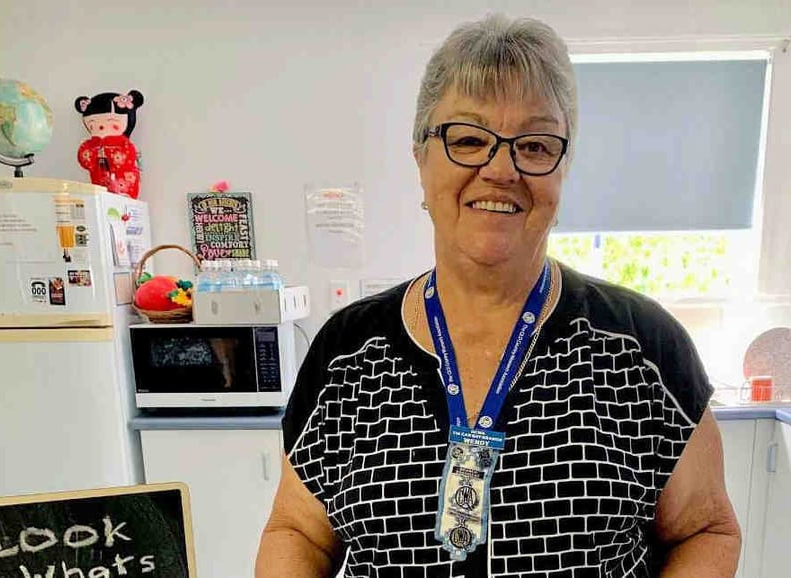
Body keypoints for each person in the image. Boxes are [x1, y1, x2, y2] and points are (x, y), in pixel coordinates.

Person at [255, 14, 741, 578]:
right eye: (468, 139)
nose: (500, 168)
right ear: (420, 159)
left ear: (562, 169)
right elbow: (297, 531)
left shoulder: (643, 348)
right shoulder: (347, 353)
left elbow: (707, 530)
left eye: (534, 145)